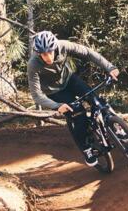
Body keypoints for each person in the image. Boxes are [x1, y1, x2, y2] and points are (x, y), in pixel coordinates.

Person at [27, 31, 120, 166]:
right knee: (79, 115)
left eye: (50, 52)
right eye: (43, 54)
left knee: (96, 100)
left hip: (69, 79)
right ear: (38, 52)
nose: (47, 57)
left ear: (54, 47)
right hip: (54, 91)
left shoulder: (63, 45)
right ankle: (86, 149)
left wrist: (109, 67)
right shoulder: (33, 64)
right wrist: (56, 105)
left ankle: (117, 127)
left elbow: (87, 53)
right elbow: (36, 94)